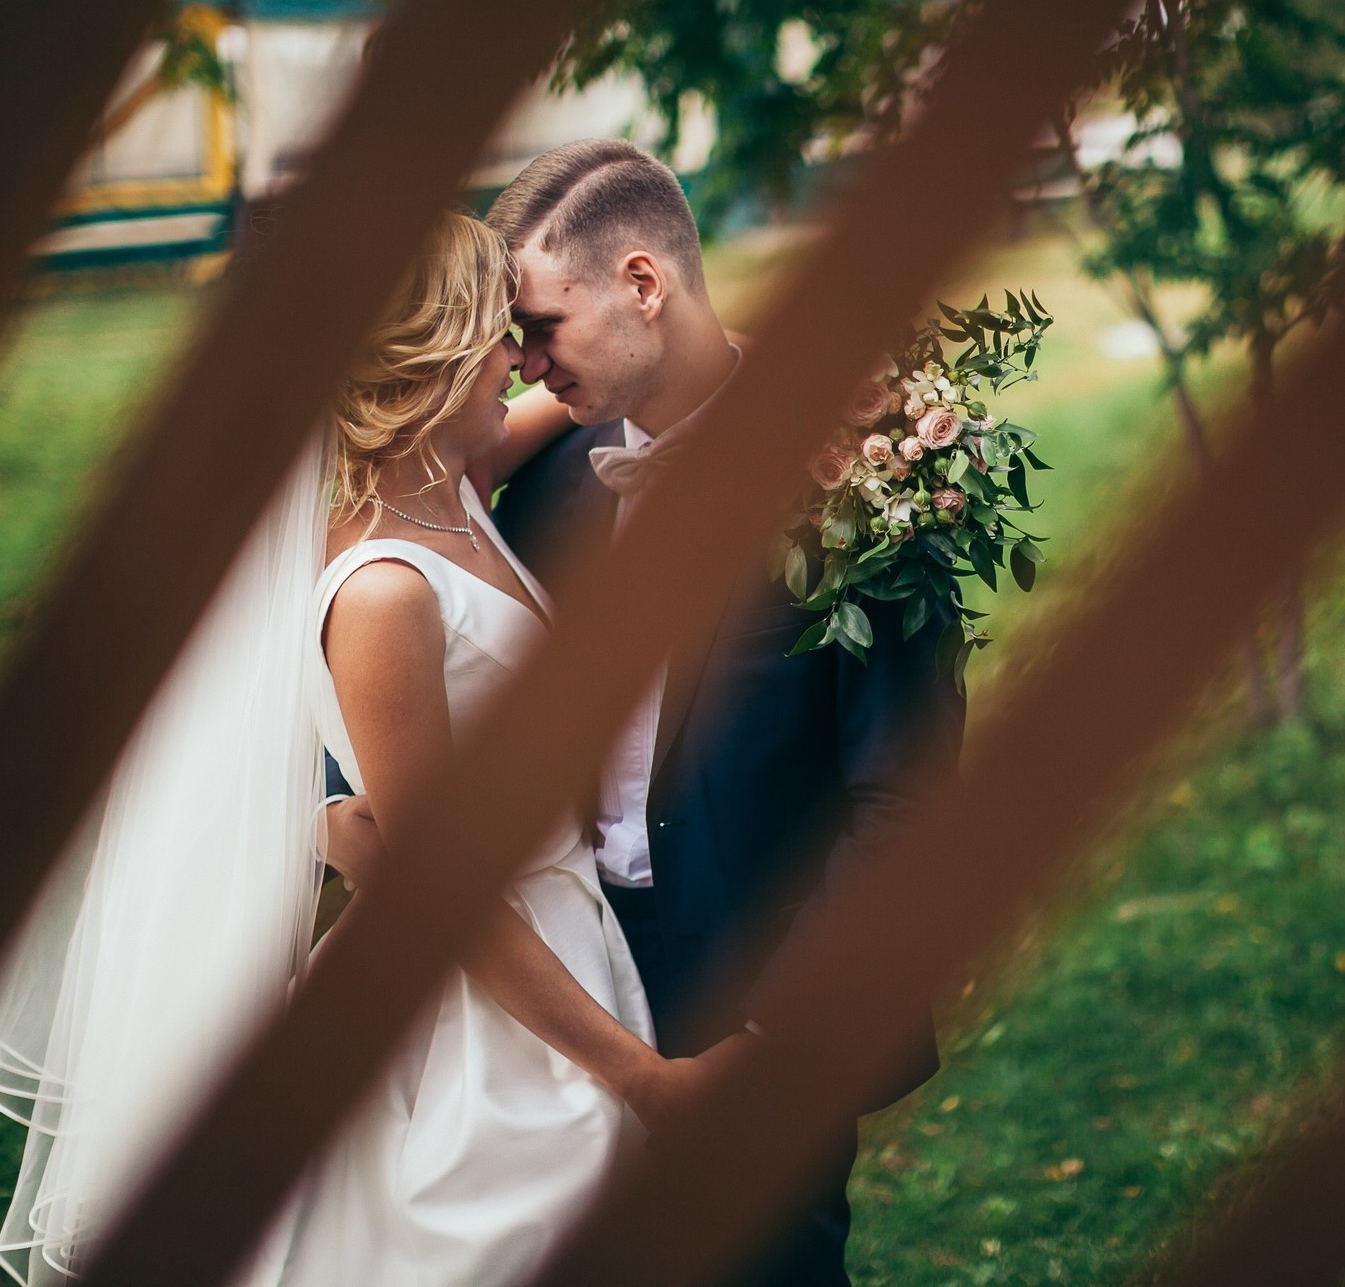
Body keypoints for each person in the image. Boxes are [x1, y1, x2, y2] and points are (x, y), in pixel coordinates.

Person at [0, 214, 712, 1287]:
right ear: (433, 356)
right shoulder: (384, 589)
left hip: (564, 928)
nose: (521, 359)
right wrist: (638, 1077)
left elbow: (605, 393)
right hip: (481, 1003)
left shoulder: (449, 480)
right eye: (500, 335)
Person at [332, 139, 965, 1285]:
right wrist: (339, 807)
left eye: (539, 326)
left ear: (641, 283)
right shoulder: (532, 478)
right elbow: (385, 642)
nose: (522, 364)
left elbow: (906, 807)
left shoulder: (868, 485)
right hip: (552, 991)